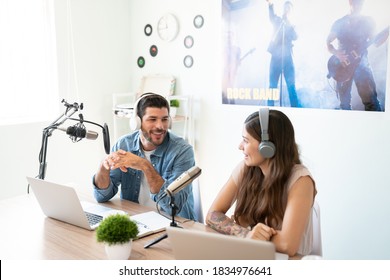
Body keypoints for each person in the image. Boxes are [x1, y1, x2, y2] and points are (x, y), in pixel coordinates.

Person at [206, 108, 317, 257]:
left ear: (267, 147)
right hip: (253, 256)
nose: (240, 146)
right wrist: (246, 234)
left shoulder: (301, 181)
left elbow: (287, 245)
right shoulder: (246, 168)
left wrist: (252, 235)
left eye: (246, 141)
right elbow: (212, 215)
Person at [92, 93, 196, 220]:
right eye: (152, 119)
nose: (160, 126)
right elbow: (101, 196)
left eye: (164, 119)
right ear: (137, 122)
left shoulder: (183, 151)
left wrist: (144, 165)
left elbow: (173, 207)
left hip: (175, 224)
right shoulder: (124, 144)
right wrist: (104, 166)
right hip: (136, 219)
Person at [326, 0, 382, 111]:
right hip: (342, 66)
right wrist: (337, 53)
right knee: (344, 104)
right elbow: (328, 42)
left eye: (360, 3)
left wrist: (386, 32)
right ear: (350, 2)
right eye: (355, 2)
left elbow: (376, 42)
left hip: (361, 64)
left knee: (372, 103)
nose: (358, 5)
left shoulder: (368, 21)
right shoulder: (340, 22)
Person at [266, 0, 300, 108]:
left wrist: (288, 23)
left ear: (291, 11)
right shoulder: (277, 20)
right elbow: (271, 16)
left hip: (288, 59)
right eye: (286, 7)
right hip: (275, 57)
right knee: (272, 86)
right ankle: (270, 111)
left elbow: (295, 37)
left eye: (289, 8)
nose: (287, 9)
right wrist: (270, 4)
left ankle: (295, 110)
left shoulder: (292, 25)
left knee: (291, 86)